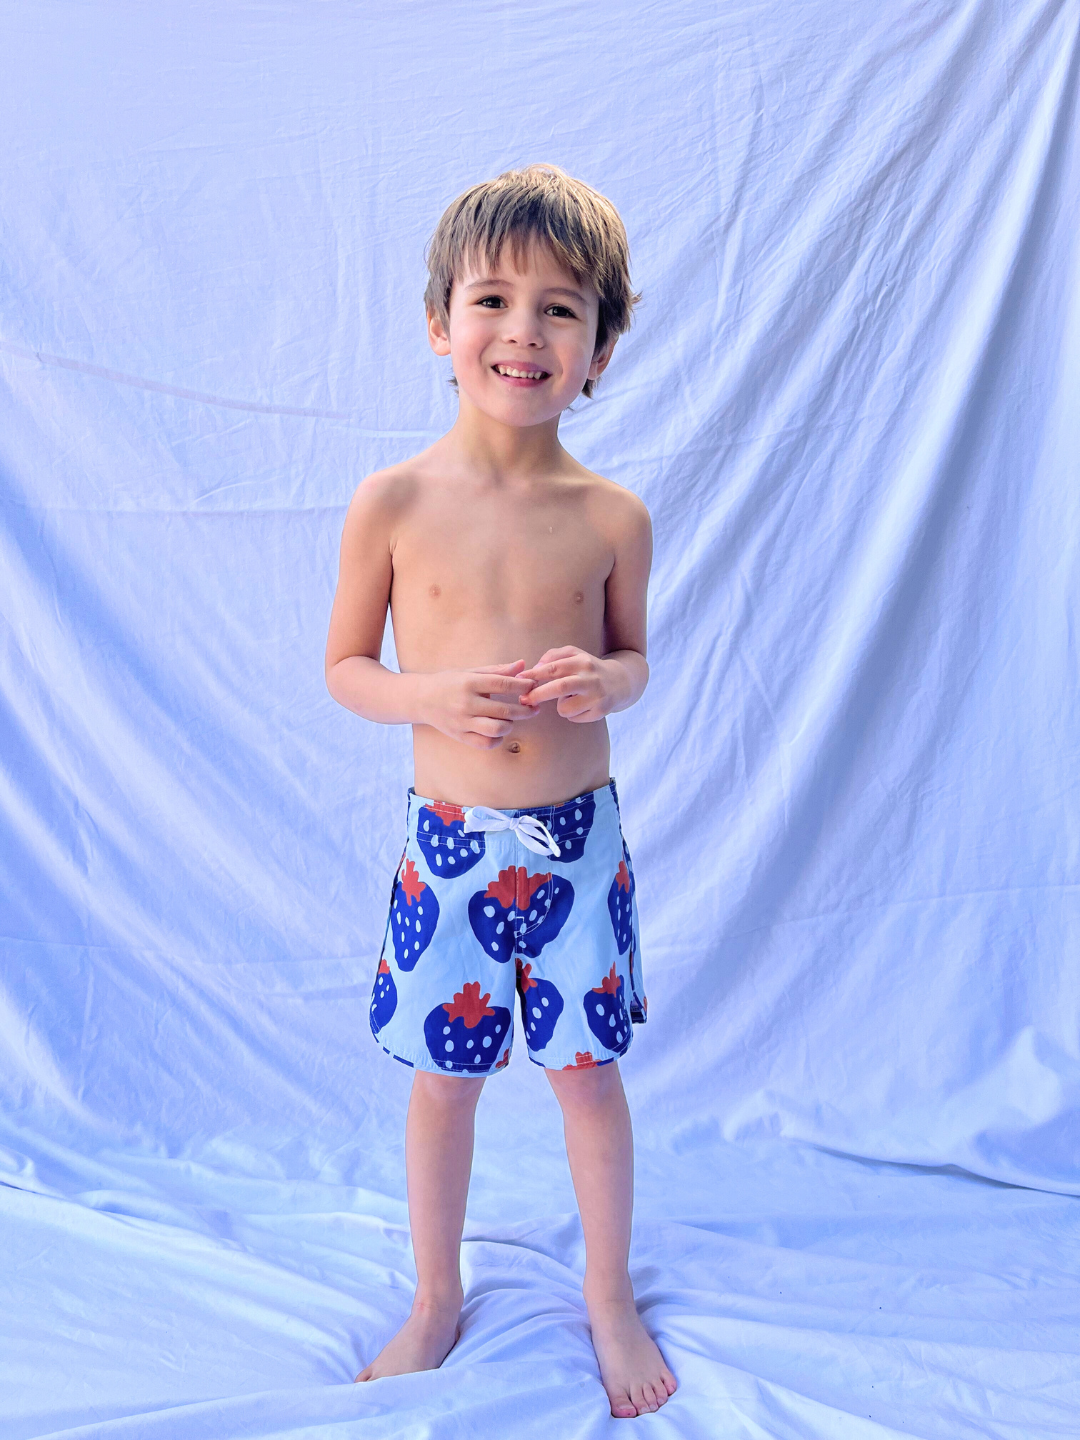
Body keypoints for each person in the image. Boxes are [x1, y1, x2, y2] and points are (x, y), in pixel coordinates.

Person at [325, 163, 676, 1419]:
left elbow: (637, 655)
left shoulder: (613, 515)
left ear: (603, 347)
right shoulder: (396, 501)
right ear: (439, 324)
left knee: (586, 1073)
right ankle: (435, 1292)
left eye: (561, 310)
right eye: (493, 300)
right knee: (444, 1077)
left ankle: (607, 1293)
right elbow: (345, 668)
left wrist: (606, 681)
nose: (523, 332)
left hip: (581, 848)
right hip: (451, 852)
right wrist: (425, 698)